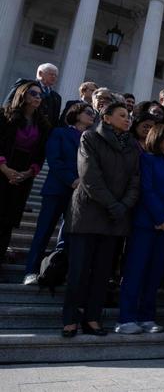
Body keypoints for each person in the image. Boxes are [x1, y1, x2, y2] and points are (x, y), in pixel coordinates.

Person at [62, 102, 140, 337]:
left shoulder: (132, 146)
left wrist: (124, 204)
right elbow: (89, 175)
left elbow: (135, 180)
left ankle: (93, 317)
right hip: (88, 213)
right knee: (79, 270)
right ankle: (70, 318)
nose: (127, 120)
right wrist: (113, 204)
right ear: (106, 118)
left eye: (129, 116)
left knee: (102, 272)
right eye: (122, 115)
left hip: (115, 218)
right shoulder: (89, 138)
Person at [117, 124, 164, 334]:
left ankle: (147, 316)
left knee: (154, 273)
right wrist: (161, 217)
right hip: (146, 224)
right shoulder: (146, 159)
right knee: (135, 271)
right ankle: (126, 318)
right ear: (158, 139)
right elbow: (146, 189)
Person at [23, 103, 95, 284]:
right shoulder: (60, 133)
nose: (92, 116)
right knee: (43, 232)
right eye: (88, 112)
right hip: (57, 189)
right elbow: (54, 160)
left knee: (69, 235)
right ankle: (30, 270)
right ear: (76, 114)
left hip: (79, 194)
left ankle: (57, 271)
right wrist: (72, 180)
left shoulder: (92, 139)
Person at [0, 81, 49, 266]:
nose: (38, 97)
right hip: (3, 170)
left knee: (8, 222)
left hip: (23, 176)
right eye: (33, 94)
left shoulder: (43, 124)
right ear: (23, 95)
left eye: (39, 95)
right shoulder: (4, 116)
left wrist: (29, 172)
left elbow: (41, 153)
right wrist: (4, 168)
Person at [5, 63, 61, 127]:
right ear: (40, 73)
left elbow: (55, 121)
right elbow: (8, 103)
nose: (54, 77)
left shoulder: (57, 97)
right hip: (19, 126)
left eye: (56, 75)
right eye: (51, 74)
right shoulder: (24, 85)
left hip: (43, 133)